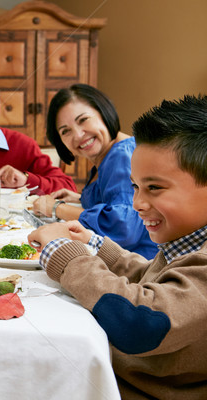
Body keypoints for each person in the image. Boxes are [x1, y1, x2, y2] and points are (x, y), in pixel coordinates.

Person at [28, 94, 207, 399]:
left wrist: (66, 255)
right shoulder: (185, 246)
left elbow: (141, 321)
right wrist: (94, 245)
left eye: (154, 188)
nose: (137, 203)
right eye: (135, 187)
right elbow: (150, 276)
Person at [32, 84, 157, 258]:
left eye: (83, 120)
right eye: (65, 131)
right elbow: (119, 200)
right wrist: (78, 198)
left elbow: (122, 226)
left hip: (142, 268)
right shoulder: (109, 155)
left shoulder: (121, 156)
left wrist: (56, 208)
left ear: (103, 112)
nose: (78, 135)